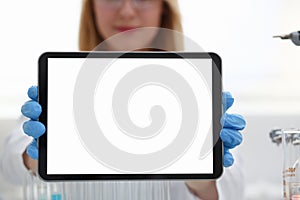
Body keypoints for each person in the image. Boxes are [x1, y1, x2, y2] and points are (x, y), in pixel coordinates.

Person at [0, 0, 246, 199]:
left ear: (163, 7)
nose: (127, 11)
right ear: (92, 6)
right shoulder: (63, 81)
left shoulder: (196, 86)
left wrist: (202, 179)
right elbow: (9, 168)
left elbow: (232, 190)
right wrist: (35, 158)